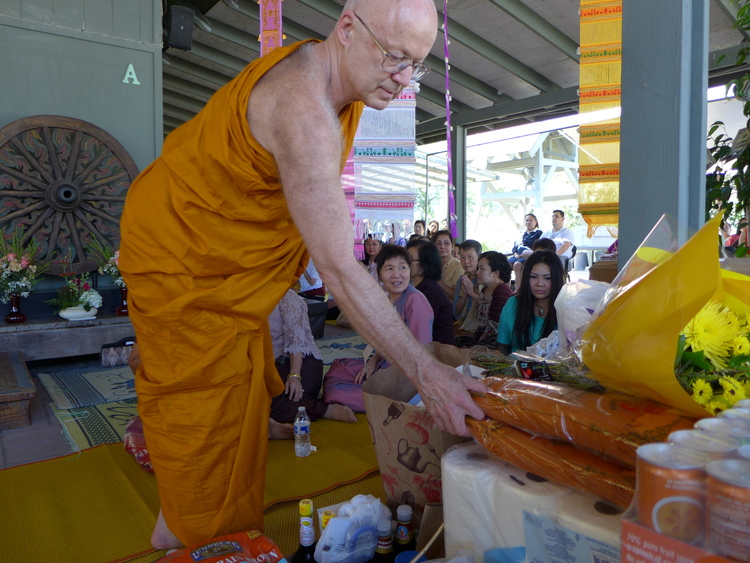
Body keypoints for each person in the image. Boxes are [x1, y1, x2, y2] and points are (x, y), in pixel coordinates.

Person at [119, 0, 486, 550]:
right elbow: (338, 265)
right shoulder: (304, 109)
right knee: (204, 445)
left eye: (417, 64)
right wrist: (428, 374)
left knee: (230, 421)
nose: (404, 79)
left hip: (221, 269)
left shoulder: (335, 89)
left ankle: (199, 523)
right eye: (393, 56)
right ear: (345, 28)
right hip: (183, 261)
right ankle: (189, 536)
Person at [323, 245, 435, 410]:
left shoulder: (415, 300)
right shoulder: (392, 300)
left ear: (410, 271)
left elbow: (421, 352)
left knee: (334, 392)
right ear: (380, 275)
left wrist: (385, 379)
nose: (397, 274)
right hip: (385, 365)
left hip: (404, 379)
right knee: (337, 368)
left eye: (402, 267)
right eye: (389, 268)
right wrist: (374, 360)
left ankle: (385, 402)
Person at [268, 290, 357, 433]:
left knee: (271, 402)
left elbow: (297, 340)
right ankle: (270, 426)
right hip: (270, 364)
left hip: (300, 361)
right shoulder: (251, 297)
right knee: (248, 397)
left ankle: (324, 410)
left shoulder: (287, 297)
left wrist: (294, 376)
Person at [497, 250, 565, 354]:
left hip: (555, 369)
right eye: (533, 277)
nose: (540, 283)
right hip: (516, 368)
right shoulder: (513, 304)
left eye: (547, 278)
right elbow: (502, 346)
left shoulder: (567, 309)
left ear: (557, 279)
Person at [406, 239, 455, 345]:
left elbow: (419, 329)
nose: (405, 263)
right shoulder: (418, 286)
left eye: (411, 259)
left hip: (437, 353)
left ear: (425, 264)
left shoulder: (429, 291)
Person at [471, 251, 513, 347]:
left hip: (497, 344)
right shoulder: (485, 290)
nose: (477, 272)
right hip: (483, 340)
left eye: (482, 268)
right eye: (478, 268)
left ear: (496, 273)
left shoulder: (502, 293)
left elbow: (494, 331)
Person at [453, 239, 482, 322]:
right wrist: (464, 295)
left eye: (470, 257)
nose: (466, 262)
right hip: (462, 324)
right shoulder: (462, 279)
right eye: (462, 257)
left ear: (479, 257)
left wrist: (472, 293)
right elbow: (455, 312)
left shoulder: (485, 279)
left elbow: (489, 306)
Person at [508, 213, 542, 282]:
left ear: (535, 222)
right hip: (517, 255)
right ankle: (507, 287)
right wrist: (516, 254)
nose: (528, 222)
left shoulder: (538, 233)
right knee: (504, 264)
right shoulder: (521, 233)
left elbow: (538, 247)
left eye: (530, 220)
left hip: (528, 256)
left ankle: (518, 289)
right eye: (526, 221)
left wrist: (524, 254)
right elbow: (515, 246)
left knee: (517, 265)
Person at [432, 230, 464, 300]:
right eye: (438, 243)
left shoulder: (458, 266)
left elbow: (457, 296)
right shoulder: (431, 266)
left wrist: (437, 281)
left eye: (446, 243)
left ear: (452, 246)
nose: (442, 246)